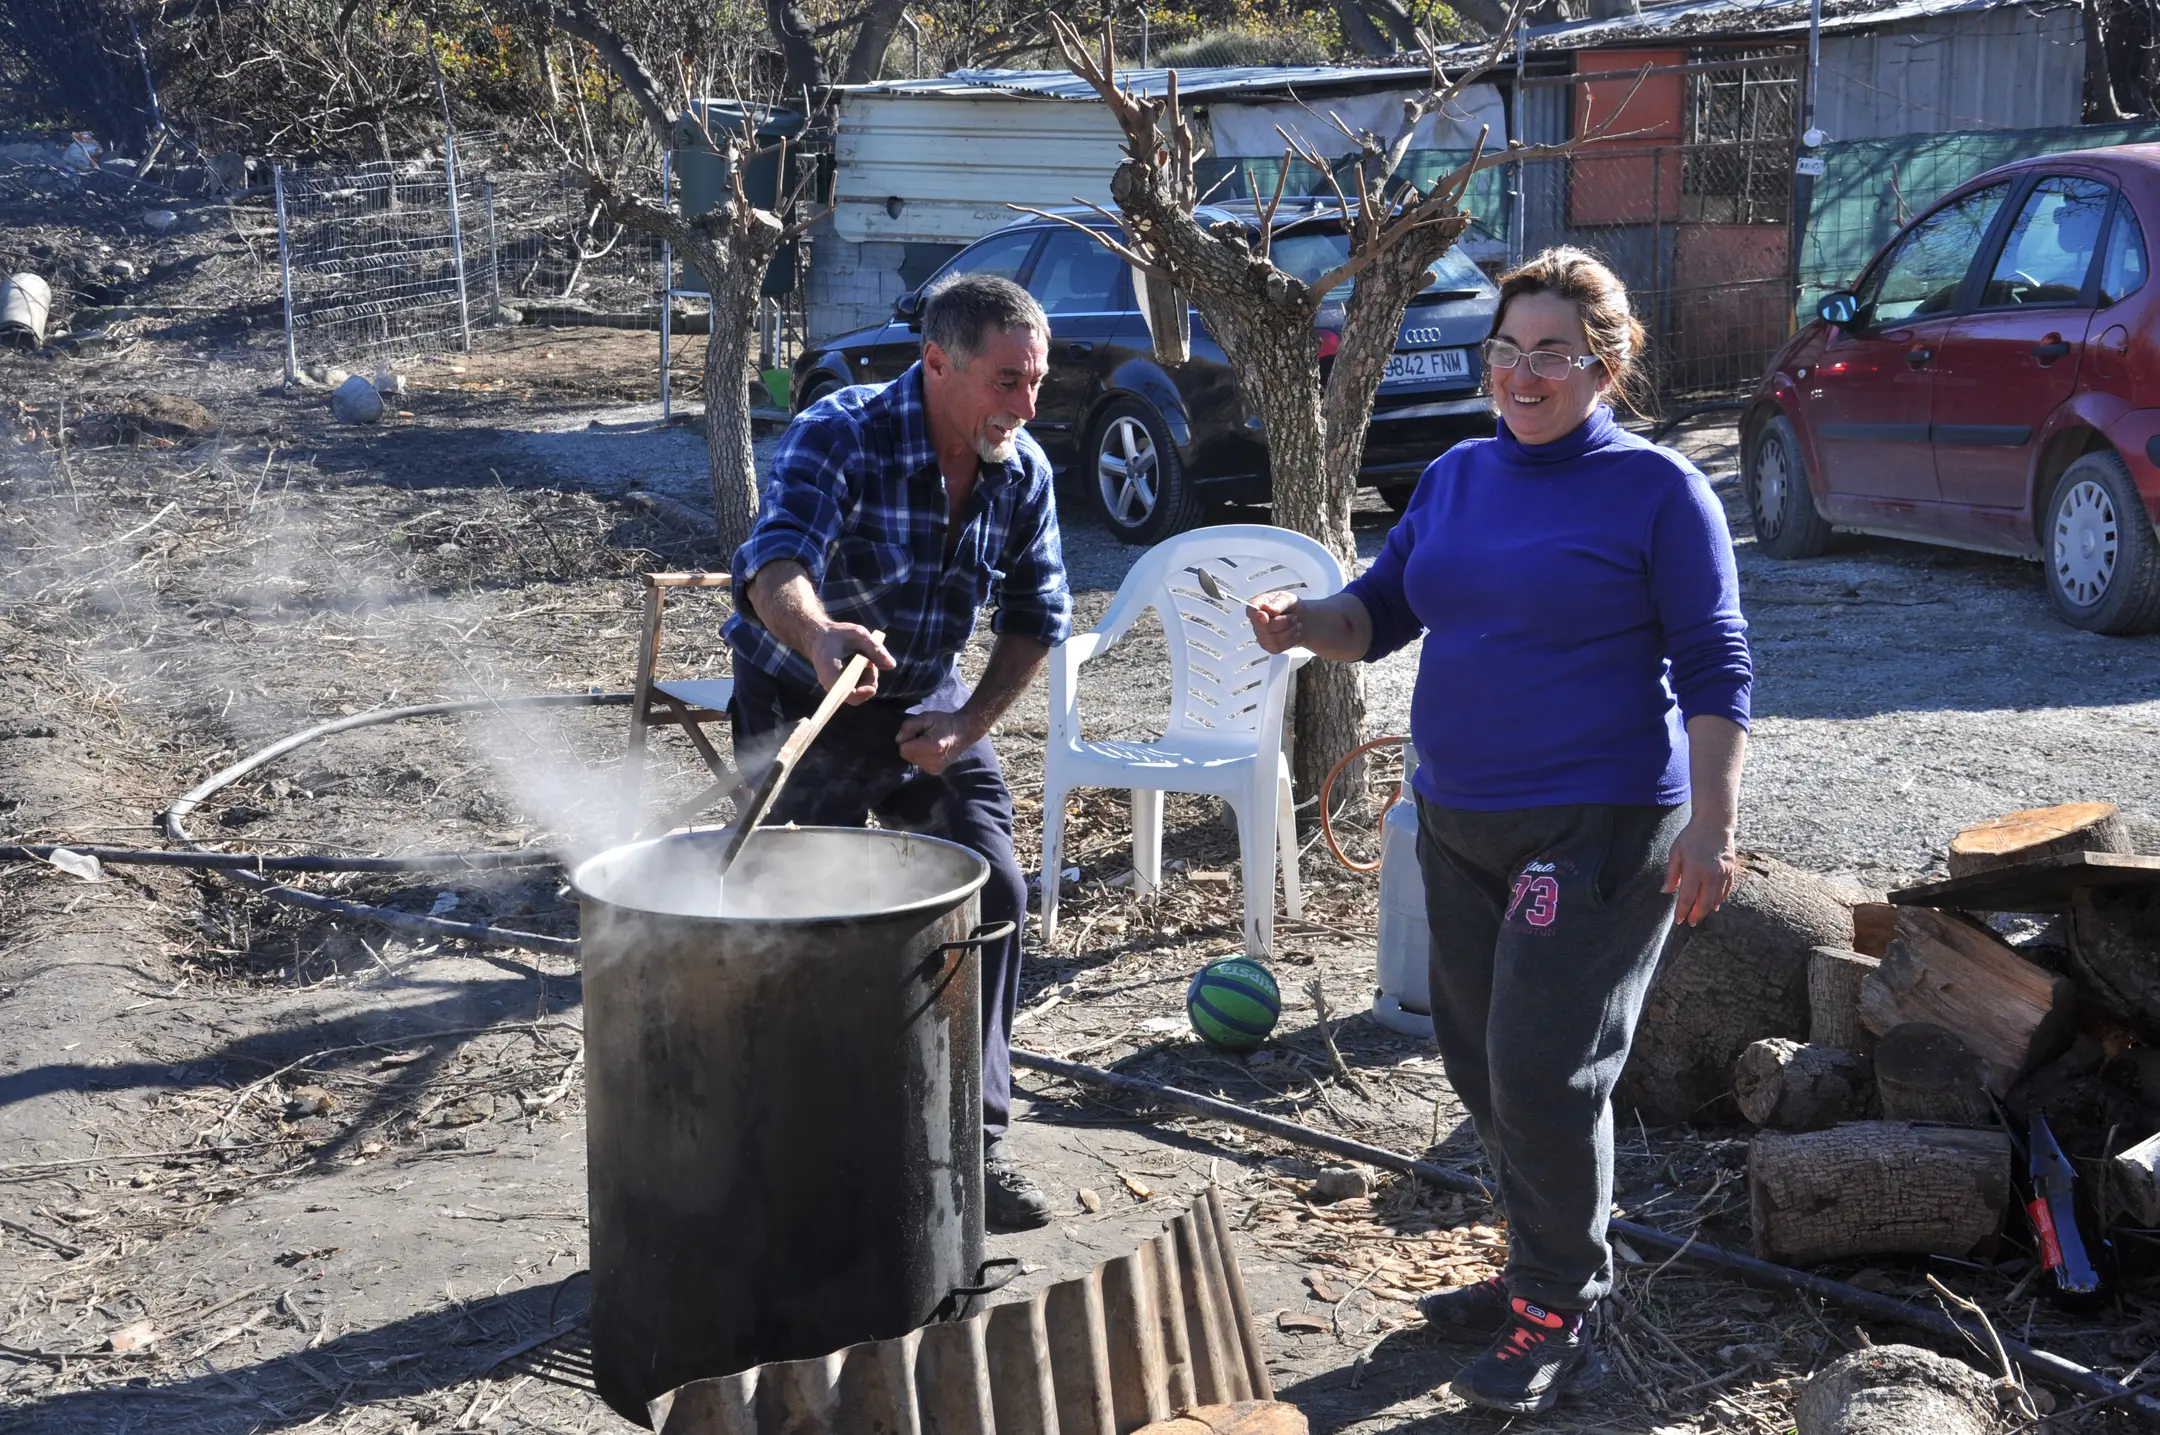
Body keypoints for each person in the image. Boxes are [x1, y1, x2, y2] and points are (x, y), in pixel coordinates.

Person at [1245, 247, 1752, 1416]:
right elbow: (1378, 614)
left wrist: (1714, 822)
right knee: (1478, 1060)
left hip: (1598, 822)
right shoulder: (1460, 474)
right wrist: (1295, 625)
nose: (1522, 376)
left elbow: (1717, 661)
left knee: (1543, 1065)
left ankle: (1558, 1305)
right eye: (1505, 353)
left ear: (1607, 365)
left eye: (1553, 355)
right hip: (1459, 817)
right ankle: (1544, 1266)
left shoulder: (1660, 491)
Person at [724, 273, 1071, 1231]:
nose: (1026, 406)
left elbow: (1039, 617)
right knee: (806, 920)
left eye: (1035, 381)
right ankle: (801, 1147)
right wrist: (822, 632)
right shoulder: (844, 430)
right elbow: (775, 561)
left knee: (995, 887)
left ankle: (976, 1142)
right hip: (805, 690)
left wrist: (968, 727)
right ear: (936, 362)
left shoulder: (1023, 468)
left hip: (927, 699)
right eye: (1006, 381)